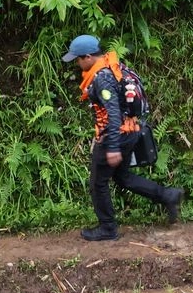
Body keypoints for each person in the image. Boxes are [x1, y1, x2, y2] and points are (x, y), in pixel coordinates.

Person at [62, 34, 184, 241]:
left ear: (88, 57)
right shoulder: (112, 66)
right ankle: (168, 195)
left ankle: (107, 228)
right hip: (130, 131)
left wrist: (112, 147)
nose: (77, 63)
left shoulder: (102, 78)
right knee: (122, 177)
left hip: (115, 135)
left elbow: (113, 113)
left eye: (78, 59)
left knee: (98, 183)